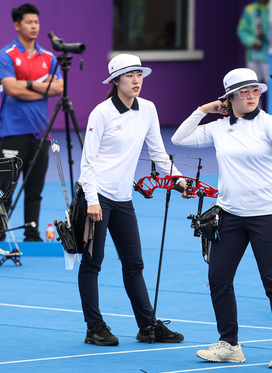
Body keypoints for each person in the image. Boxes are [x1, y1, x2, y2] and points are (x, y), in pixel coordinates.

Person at [172, 68, 272, 369]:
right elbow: (180, 137)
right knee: (218, 279)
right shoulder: (219, 127)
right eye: (243, 91)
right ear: (229, 98)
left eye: (254, 90)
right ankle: (230, 344)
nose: (251, 96)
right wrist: (203, 109)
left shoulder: (270, 124)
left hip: (267, 215)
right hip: (230, 215)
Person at [77, 54, 186, 346]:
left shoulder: (148, 109)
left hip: (123, 198)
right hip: (96, 197)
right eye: (129, 75)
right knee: (92, 263)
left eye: (139, 74)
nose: (136, 80)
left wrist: (178, 179)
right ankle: (94, 328)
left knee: (134, 264)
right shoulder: (101, 113)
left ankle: (147, 326)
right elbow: (87, 162)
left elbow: (159, 153)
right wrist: (91, 200)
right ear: (115, 81)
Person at [0, 3, 63, 241]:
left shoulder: (49, 57)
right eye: (28, 22)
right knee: (6, 187)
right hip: (12, 132)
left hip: (40, 134)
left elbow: (61, 88)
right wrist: (43, 89)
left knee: (35, 189)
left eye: (37, 22)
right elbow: (12, 89)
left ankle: (31, 233)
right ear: (17, 24)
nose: (34, 26)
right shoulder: (5, 55)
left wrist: (29, 85)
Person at [237, 0, 269, 108]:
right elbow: (242, 30)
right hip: (253, 56)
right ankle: (255, 113)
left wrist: (266, 37)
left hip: (271, 57)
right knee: (252, 86)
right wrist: (252, 42)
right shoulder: (249, 9)